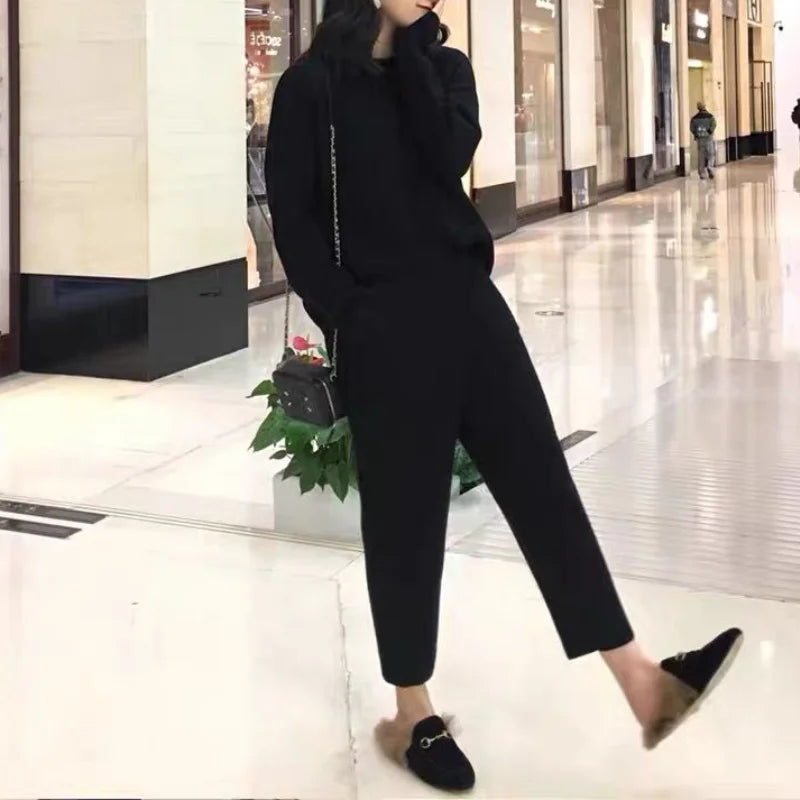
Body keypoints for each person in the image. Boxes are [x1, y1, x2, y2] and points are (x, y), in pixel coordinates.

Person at [265, 0, 743, 791]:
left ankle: (640, 679)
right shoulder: (313, 85)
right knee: (405, 518)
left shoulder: (443, 68)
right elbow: (295, 215)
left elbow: (447, 153)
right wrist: (348, 312)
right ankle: (412, 711)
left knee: (541, 485)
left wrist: (412, 47)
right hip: (383, 326)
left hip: (470, 309)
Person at [690, 101, 717, 180]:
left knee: (701, 156)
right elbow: (714, 124)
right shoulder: (710, 116)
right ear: (705, 106)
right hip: (709, 139)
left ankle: (702, 173)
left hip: (700, 139)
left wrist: (696, 134)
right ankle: (710, 167)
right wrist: (709, 131)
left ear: (698, 108)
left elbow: (691, 128)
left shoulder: (694, 118)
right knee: (711, 154)